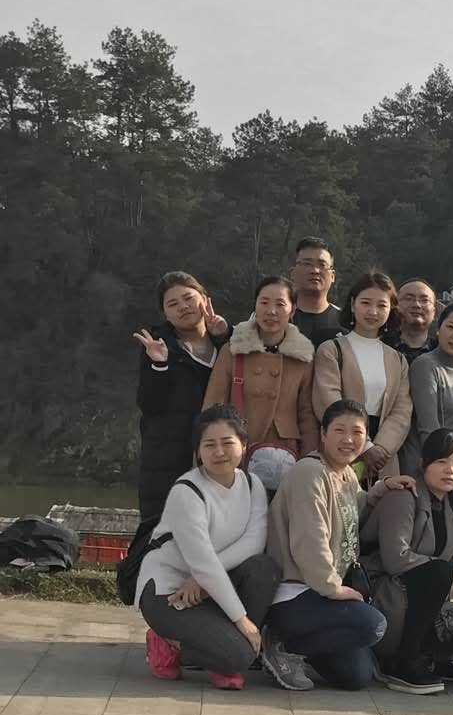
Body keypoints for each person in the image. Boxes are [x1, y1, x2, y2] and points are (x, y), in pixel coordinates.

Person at [263, 399, 406, 691]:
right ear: (323, 434)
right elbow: (309, 541)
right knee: (373, 625)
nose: (348, 439)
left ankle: (301, 648)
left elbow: (353, 509)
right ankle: (281, 644)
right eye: (339, 430)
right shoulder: (309, 472)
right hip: (295, 593)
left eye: (357, 432)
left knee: (358, 675)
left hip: (320, 595)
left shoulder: (346, 474)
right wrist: (333, 588)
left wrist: (383, 487)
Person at [136, 405, 280, 690]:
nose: (219, 452)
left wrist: (201, 581)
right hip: (168, 592)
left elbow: (254, 543)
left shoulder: (253, 485)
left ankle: (223, 651)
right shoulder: (187, 491)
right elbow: (201, 560)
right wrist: (242, 620)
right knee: (241, 655)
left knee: (264, 569)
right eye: (209, 445)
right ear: (198, 451)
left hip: (206, 586)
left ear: (244, 445)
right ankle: (167, 643)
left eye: (227, 443)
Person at [362, 428, 453, 695]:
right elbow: (395, 559)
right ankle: (403, 662)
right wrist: (438, 570)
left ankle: (429, 656)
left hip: (419, 598)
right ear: (423, 463)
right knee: (439, 571)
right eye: (441, 461)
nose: (450, 470)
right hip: (383, 592)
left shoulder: (451, 508)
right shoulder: (403, 496)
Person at [133, 271, 230, 529]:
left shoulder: (228, 344)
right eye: (173, 304)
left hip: (219, 454)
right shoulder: (158, 347)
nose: (183, 307)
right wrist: (159, 365)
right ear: (166, 314)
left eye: (188, 298)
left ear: (205, 300)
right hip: (168, 461)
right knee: (166, 534)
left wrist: (225, 336)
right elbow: (149, 405)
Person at [203, 276, 320, 490]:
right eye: (264, 302)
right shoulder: (233, 350)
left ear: (293, 310)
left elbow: (307, 415)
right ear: (255, 306)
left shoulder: (303, 358)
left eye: (280, 304)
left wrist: (309, 462)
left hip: (285, 455)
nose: (271, 311)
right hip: (237, 450)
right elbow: (213, 406)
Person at [312, 271, 414, 481]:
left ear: (391, 309)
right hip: (342, 445)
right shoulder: (332, 350)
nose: (373, 311)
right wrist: (364, 446)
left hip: (382, 458)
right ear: (352, 304)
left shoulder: (397, 359)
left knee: (382, 499)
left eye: (382, 305)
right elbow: (328, 399)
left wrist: (381, 449)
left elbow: (402, 411)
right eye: (366, 303)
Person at [406, 300, 453, 478]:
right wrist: (444, 460)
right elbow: (428, 426)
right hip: (425, 461)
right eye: (451, 327)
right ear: (438, 329)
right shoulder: (425, 364)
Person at [289, 236, 344, 346]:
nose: (315, 270)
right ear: (292, 273)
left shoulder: (346, 321)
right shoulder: (276, 317)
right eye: (307, 264)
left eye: (322, 265)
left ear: (332, 276)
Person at [389, 277, 437, 364]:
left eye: (425, 300)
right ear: (395, 306)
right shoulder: (380, 347)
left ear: (434, 312)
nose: (417, 305)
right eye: (408, 298)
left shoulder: (444, 352)